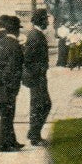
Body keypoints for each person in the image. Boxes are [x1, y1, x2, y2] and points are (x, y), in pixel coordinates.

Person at [0, 14, 24, 152]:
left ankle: (11, 141)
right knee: (7, 114)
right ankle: (4, 145)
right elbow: (12, 67)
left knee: (5, 113)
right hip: (6, 83)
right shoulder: (13, 44)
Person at [22, 10, 53, 146]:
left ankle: (33, 132)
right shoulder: (35, 35)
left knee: (40, 105)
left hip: (38, 76)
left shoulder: (36, 34)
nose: (47, 22)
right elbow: (28, 57)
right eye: (46, 20)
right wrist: (39, 71)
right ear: (41, 20)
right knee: (42, 105)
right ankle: (35, 136)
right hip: (36, 77)